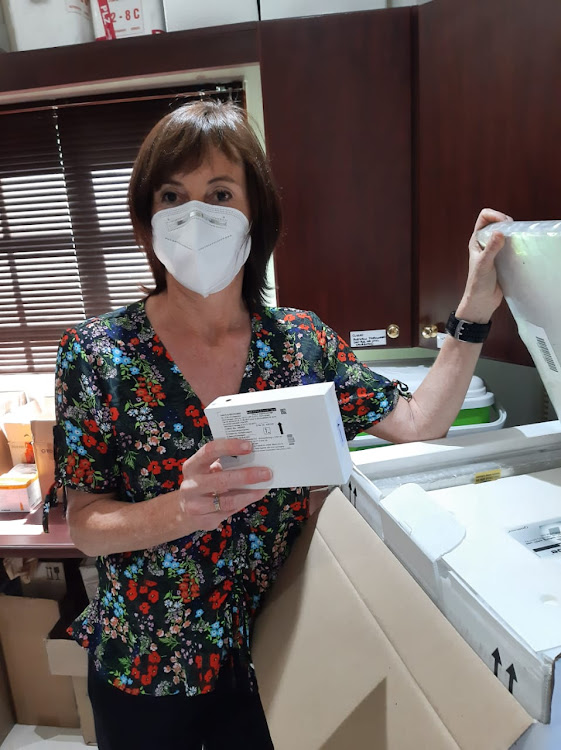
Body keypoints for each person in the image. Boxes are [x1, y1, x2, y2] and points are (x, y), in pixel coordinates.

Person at [53, 99, 510, 750]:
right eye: (171, 195)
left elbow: (418, 422)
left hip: (278, 657)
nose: (193, 215)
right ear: (145, 219)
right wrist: (183, 510)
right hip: (147, 670)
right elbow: (85, 524)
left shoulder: (298, 343)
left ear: (254, 212)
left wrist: (472, 309)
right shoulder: (96, 354)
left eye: (218, 192)